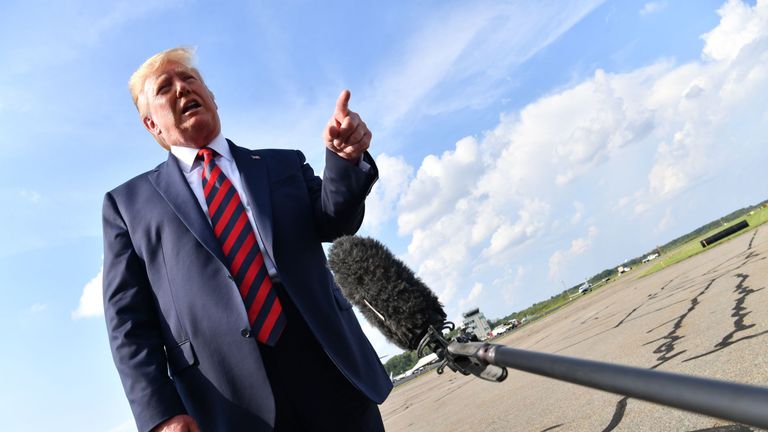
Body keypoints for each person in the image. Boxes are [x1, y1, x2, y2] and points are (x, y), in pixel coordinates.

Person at [102, 47, 392, 432]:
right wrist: (161, 412)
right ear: (151, 125)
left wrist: (344, 159)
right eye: (165, 87)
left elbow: (334, 221)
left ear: (212, 98)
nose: (182, 89)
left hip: (326, 358)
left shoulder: (282, 163)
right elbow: (127, 322)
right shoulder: (127, 206)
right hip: (226, 393)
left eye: (189, 79)